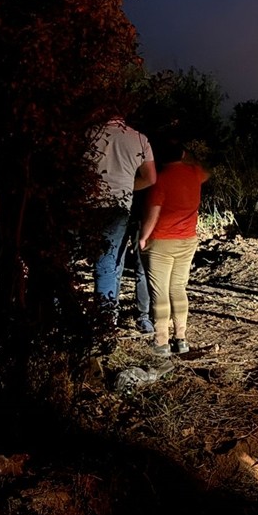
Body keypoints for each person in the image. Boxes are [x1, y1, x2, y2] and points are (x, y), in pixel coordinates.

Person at [138, 143, 209, 357]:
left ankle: (161, 341)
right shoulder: (194, 173)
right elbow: (206, 170)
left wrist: (143, 237)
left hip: (161, 241)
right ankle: (181, 338)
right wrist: (191, 158)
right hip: (187, 239)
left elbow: (154, 212)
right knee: (178, 288)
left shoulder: (160, 179)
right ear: (182, 153)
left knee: (160, 292)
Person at [90, 116, 157, 327]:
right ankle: (108, 323)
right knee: (111, 266)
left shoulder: (88, 134)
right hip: (120, 209)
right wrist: (127, 187)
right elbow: (151, 178)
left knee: (73, 263)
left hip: (87, 205)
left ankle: (62, 321)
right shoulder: (139, 139)